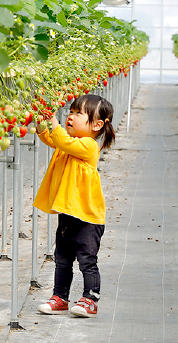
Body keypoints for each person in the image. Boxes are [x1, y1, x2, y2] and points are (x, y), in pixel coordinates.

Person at [32, 93, 116, 318]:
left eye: (79, 113)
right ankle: (60, 297)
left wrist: (55, 123)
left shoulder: (87, 146)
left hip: (88, 218)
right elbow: (52, 140)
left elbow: (60, 139)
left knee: (87, 261)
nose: (71, 116)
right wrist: (42, 122)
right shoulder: (69, 144)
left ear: (97, 125)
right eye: (70, 112)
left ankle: (90, 299)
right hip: (69, 213)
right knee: (62, 258)